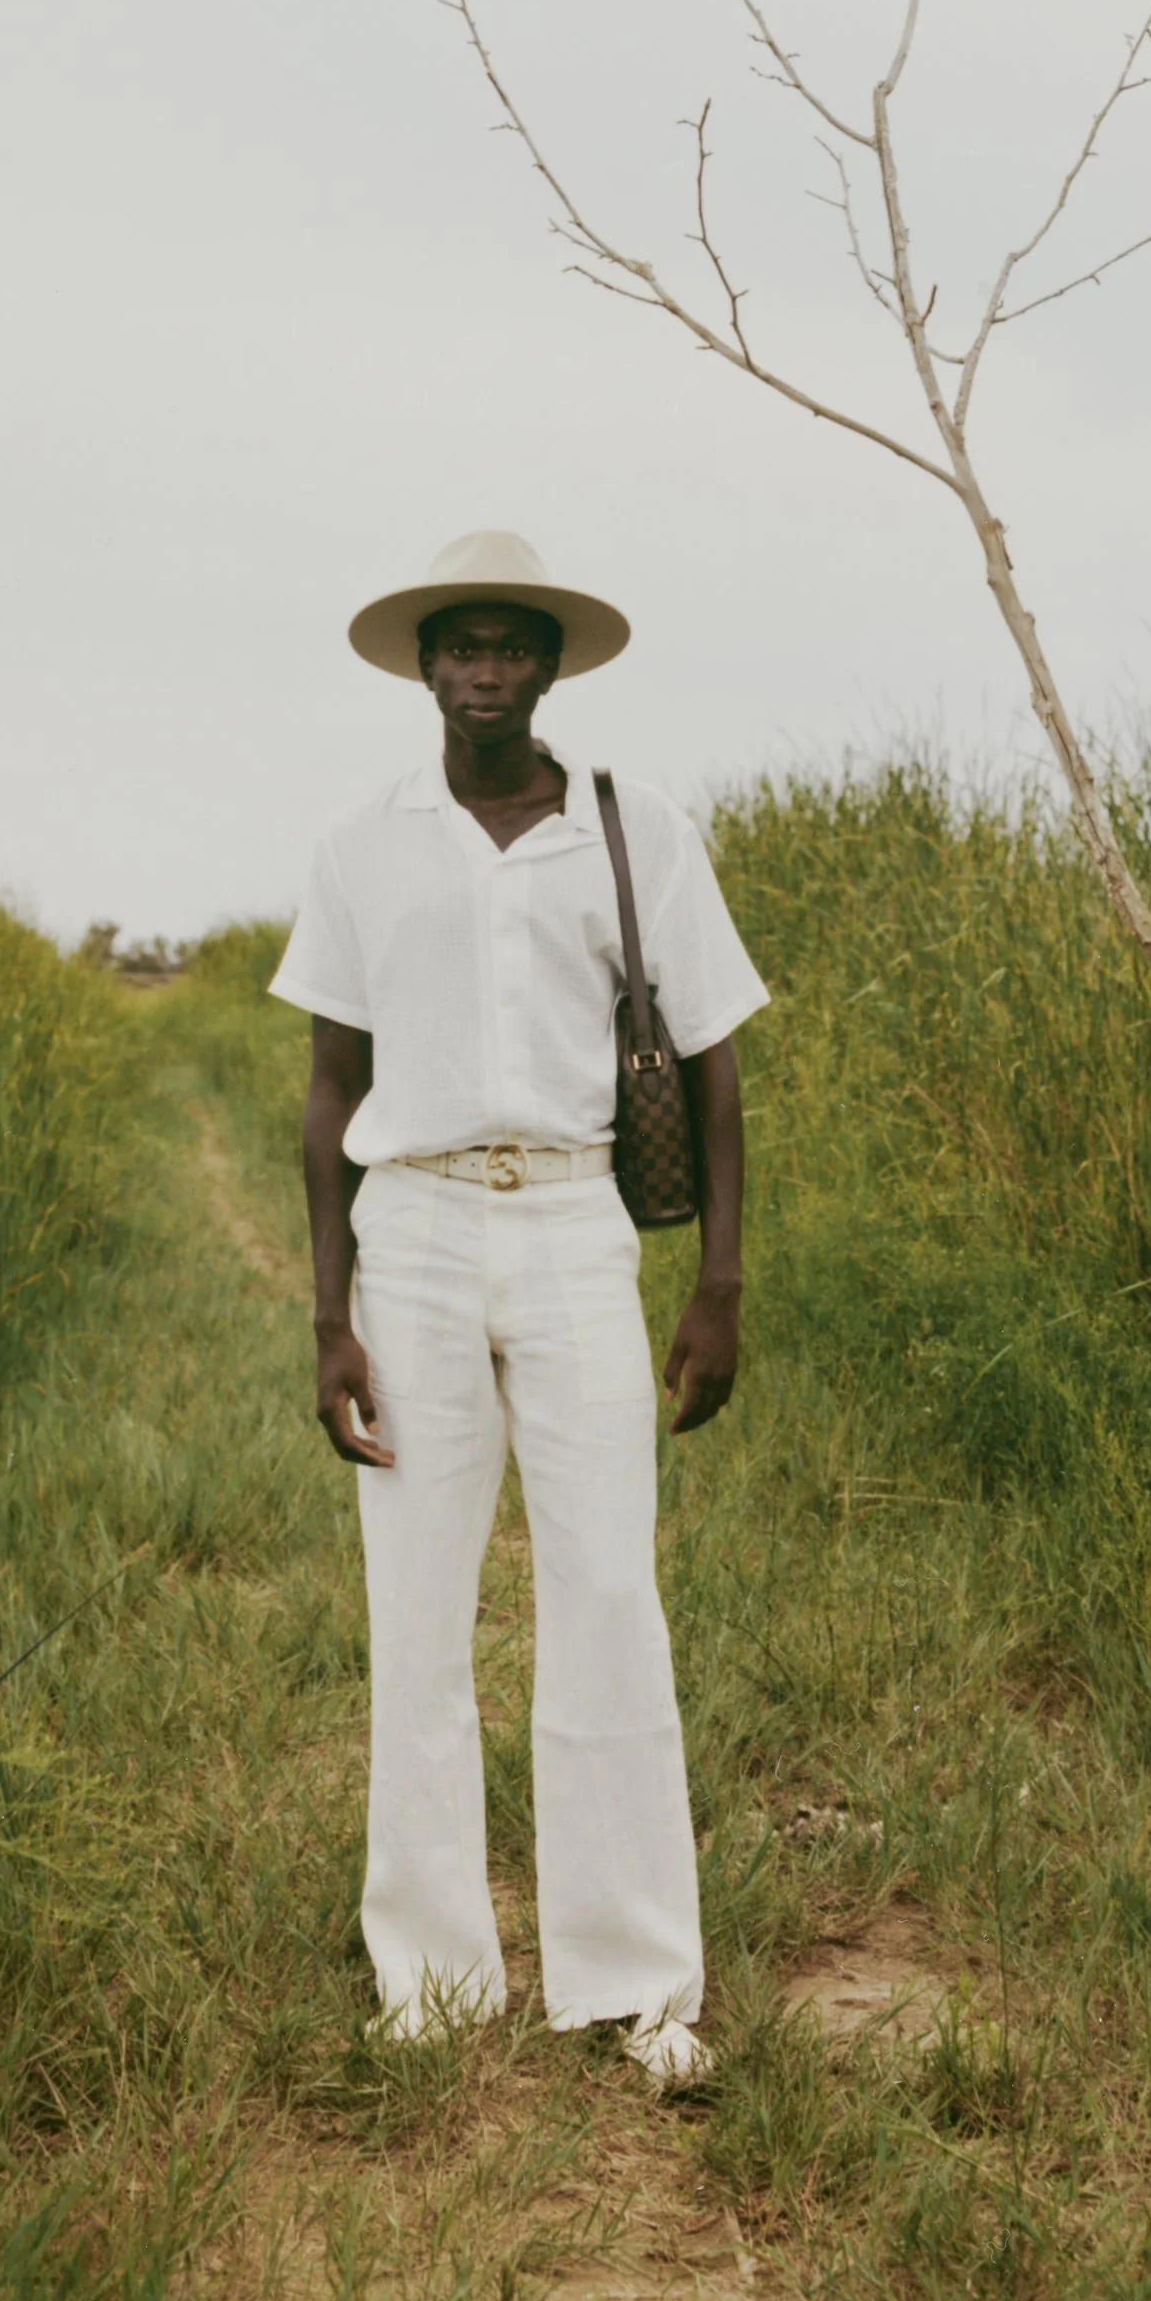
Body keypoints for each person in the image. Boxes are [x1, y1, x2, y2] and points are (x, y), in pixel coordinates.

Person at [268, 528, 768, 2090]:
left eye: (514, 643)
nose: (486, 667)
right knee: (414, 1612)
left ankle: (634, 1982)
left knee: (609, 1589)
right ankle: (430, 1978)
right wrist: (329, 1316)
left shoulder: (634, 830)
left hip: (570, 1221)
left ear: (552, 666)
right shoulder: (363, 847)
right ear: (424, 667)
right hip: (410, 1227)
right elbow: (330, 1087)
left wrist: (720, 1281)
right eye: (460, 643)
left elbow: (713, 1066)